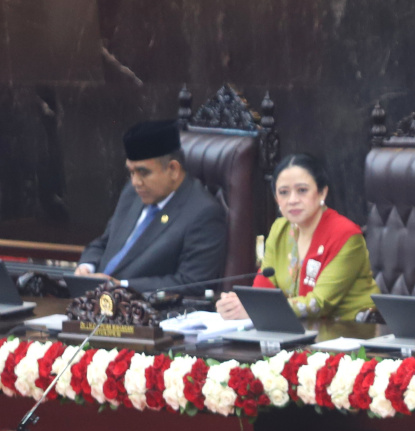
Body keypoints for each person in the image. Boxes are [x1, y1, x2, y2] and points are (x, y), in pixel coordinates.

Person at [216, 153, 379, 321]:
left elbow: (318, 304)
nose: (292, 200)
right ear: (276, 198)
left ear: (322, 193)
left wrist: (255, 309)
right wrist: (238, 305)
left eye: (302, 190)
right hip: (297, 327)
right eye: (284, 192)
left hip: (349, 329)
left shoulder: (346, 235)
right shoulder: (280, 229)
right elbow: (264, 287)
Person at [76, 119, 227, 293]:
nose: (135, 182)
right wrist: (87, 267)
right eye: (131, 172)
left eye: (143, 172)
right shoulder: (132, 193)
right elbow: (104, 243)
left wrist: (122, 286)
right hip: (93, 300)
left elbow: (191, 282)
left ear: (173, 169)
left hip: (140, 306)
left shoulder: (203, 213)